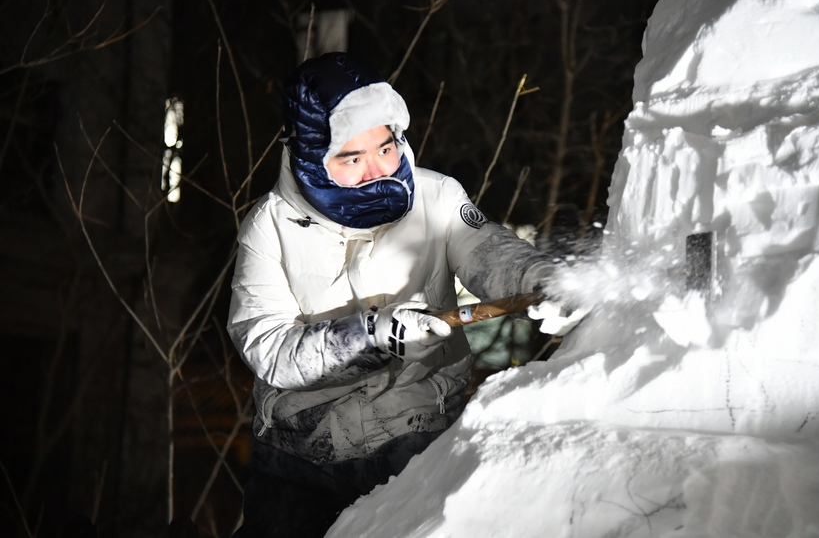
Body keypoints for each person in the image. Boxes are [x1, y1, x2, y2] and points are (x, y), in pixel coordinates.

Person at [227, 51, 581, 537]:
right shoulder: (269, 227)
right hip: (300, 459)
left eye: (386, 147)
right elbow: (269, 348)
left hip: (416, 442)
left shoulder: (436, 197)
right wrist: (372, 335)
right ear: (312, 156)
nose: (378, 169)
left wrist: (538, 279)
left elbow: (488, 250)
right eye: (353, 157)